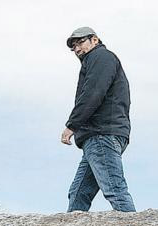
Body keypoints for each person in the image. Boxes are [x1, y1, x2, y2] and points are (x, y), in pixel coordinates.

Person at [61, 27, 136, 212]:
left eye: (80, 43)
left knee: (115, 190)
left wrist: (72, 125)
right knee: (78, 193)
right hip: (98, 136)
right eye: (73, 47)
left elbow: (93, 93)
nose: (77, 49)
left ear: (94, 40)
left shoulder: (100, 57)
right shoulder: (98, 60)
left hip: (101, 135)